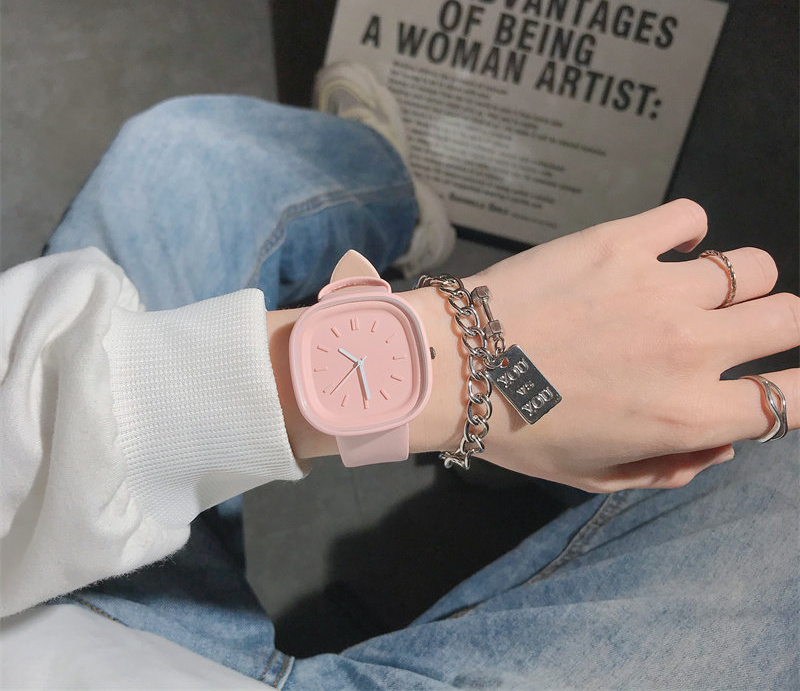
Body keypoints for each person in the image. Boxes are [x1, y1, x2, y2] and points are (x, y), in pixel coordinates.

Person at [0, 63, 797, 689]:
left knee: (177, 151)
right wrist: (467, 381)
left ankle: (402, 204)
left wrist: (450, 357)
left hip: (51, 589)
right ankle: (508, 426)